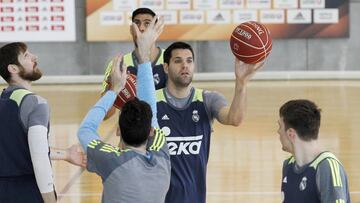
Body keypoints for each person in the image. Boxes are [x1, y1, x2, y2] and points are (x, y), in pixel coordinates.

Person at [156, 41, 264, 203]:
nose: (185, 66)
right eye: (178, 61)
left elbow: (234, 119)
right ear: (166, 67)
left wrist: (241, 83)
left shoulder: (207, 100)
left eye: (189, 61)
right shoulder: (151, 102)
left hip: (195, 198)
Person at [77, 17, 171, 203]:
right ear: (151, 131)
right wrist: (145, 56)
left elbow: (86, 130)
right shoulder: (161, 155)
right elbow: (150, 109)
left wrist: (114, 90)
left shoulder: (110, 159)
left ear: (118, 130)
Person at [0, 42, 86, 203]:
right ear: (13, 68)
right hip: (26, 191)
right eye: (26, 55)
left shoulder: (4, 100)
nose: (34, 57)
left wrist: (65, 154)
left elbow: (20, 148)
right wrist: (50, 199)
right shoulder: (36, 103)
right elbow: (39, 156)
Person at [278, 99, 350, 203]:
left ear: (291, 134)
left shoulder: (326, 167)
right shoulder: (288, 165)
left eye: (280, 126)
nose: (278, 132)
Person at [101, 7, 167, 119]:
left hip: (164, 131)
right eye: (137, 23)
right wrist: (113, 89)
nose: (141, 28)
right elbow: (105, 115)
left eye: (147, 23)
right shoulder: (119, 65)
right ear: (131, 29)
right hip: (130, 133)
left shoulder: (171, 59)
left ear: (156, 29)